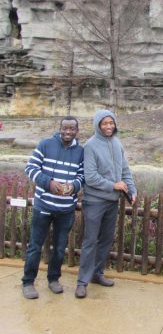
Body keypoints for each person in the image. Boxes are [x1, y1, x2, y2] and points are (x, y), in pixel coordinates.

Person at [75, 109, 137, 299]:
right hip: (94, 201)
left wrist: (132, 190)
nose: (109, 126)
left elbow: (125, 170)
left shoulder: (117, 143)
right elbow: (91, 177)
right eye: (105, 123)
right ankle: (82, 282)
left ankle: (97, 274)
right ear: (98, 125)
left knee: (105, 240)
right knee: (90, 241)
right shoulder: (91, 146)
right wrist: (114, 185)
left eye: (111, 123)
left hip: (112, 202)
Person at [22, 116, 84, 299]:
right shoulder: (46, 144)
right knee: (35, 245)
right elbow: (30, 168)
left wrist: (74, 186)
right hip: (44, 205)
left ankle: (53, 279)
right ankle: (28, 282)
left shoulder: (81, 151)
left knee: (59, 247)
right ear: (60, 128)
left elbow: (82, 176)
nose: (68, 132)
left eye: (72, 129)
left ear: (77, 131)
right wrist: (48, 183)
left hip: (66, 209)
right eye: (65, 128)